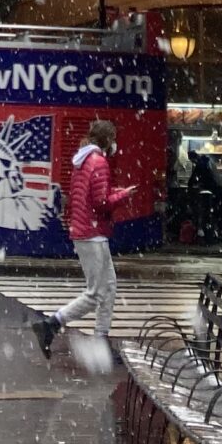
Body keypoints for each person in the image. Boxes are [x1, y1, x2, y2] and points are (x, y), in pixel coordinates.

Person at [33, 117, 134, 360]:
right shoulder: (98, 161)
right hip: (92, 233)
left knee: (109, 287)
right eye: (113, 139)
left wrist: (114, 193)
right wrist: (123, 195)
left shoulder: (84, 159)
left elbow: (91, 197)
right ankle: (52, 323)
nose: (115, 144)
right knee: (96, 293)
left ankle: (100, 339)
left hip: (86, 230)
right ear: (107, 139)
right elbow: (101, 203)